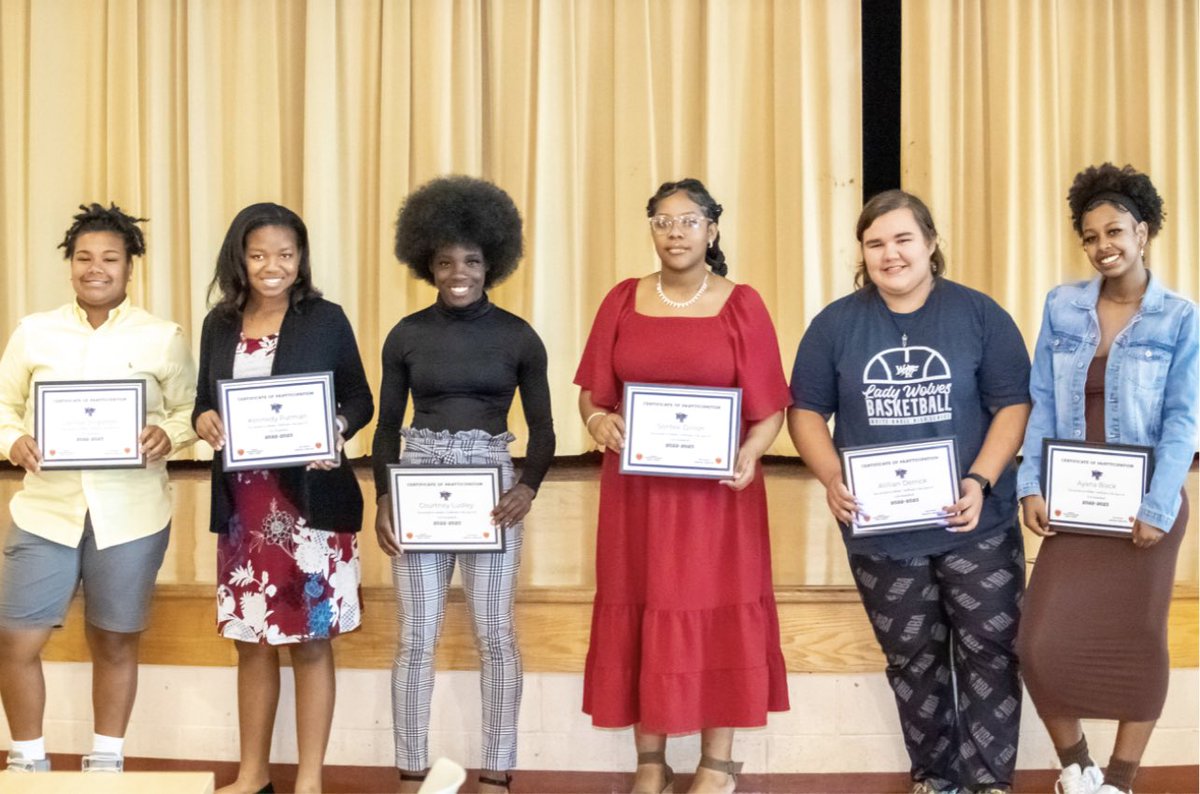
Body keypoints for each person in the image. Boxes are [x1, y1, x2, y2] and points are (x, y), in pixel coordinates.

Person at [788, 190, 1031, 794]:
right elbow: (806, 412)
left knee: (990, 653)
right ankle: (935, 778)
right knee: (912, 660)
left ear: (930, 243)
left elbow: (1013, 405)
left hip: (976, 521)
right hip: (882, 530)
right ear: (862, 253)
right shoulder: (835, 325)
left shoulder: (979, 314)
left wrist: (981, 479)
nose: (890, 254)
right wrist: (830, 476)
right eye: (876, 244)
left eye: (903, 240)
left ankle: (990, 782)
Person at [575, 178, 789, 794]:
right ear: (651, 229)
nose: (676, 232)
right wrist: (596, 421)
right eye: (664, 221)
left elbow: (770, 407)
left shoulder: (742, 304)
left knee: (715, 611)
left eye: (689, 221)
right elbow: (594, 393)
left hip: (718, 499)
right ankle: (651, 761)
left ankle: (716, 763)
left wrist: (750, 453)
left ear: (712, 230)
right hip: (637, 497)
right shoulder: (621, 300)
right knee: (642, 604)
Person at [1015, 164, 1198, 794]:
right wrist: (1030, 484)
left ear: (1143, 232)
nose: (1103, 246)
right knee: (1038, 640)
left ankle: (1118, 780)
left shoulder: (1179, 316)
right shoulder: (1062, 306)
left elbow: (1183, 421)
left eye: (1115, 230)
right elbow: (1040, 399)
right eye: (1090, 236)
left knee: (1138, 637)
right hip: (1072, 500)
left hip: (1145, 507)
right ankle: (1078, 767)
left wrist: (1157, 505)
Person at [372, 176, 555, 794]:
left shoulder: (519, 336)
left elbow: (545, 428)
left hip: (493, 493)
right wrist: (383, 499)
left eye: (472, 260)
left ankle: (498, 773)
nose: (459, 271)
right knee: (415, 635)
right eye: (446, 260)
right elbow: (385, 428)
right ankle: (410, 772)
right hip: (419, 486)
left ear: (491, 264)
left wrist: (527, 486)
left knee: (495, 630)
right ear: (427, 262)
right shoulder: (404, 335)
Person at [0, 203, 197, 773]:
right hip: (44, 510)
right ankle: (28, 760)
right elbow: (6, 405)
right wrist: (13, 438)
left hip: (132, 514)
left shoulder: (162, 337)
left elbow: (189, 409)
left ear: (130, 267)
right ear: (70, 265)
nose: (96, 268)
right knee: (16, 641)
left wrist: (169, 433)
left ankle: (106, 760)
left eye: (110, 257)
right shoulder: (34, 332)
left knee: (114, 641)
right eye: (84, 257)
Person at [193, 203, 373, 794]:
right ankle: (252, 776)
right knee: (251, 642)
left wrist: (338, 430)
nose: (274, 266)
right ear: (240, 259)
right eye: (260, 254)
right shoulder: (219, 323)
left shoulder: (325, 319)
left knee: (312, 642)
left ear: (302, 258)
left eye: (286, 255)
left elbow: (358, 398)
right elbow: (202, 402)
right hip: (245, 508)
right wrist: (205, 422)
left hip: (312, 505)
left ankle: (311, 779)